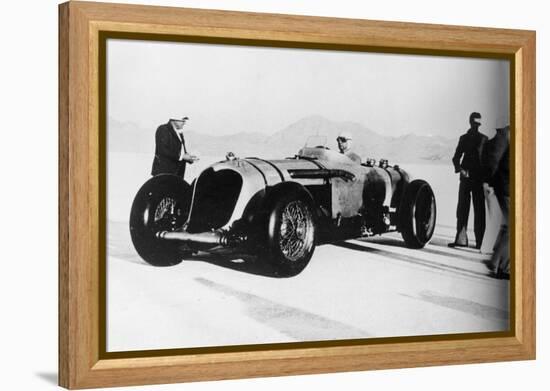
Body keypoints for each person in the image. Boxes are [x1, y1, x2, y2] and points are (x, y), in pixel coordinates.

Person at [448, 112, 488, 249]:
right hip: (465, 179)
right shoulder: (463, 138)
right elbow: (455, 158)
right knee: (462, 209)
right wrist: (460, 170)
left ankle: (480, 242)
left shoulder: (484, 139)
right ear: (470, 122)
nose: (476, 126)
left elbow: (487, 162)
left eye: (478, 124)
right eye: (474, 123)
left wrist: (485, 177)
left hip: (478, 180)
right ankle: (461, 240)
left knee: (479, 211)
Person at [482, 118, 510, 278]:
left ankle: (495, 261)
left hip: (512, 187)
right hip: (505, 187)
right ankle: (503, 267)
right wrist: (488, 182)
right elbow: (493, 161)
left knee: (509, 225)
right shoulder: (506, 134)